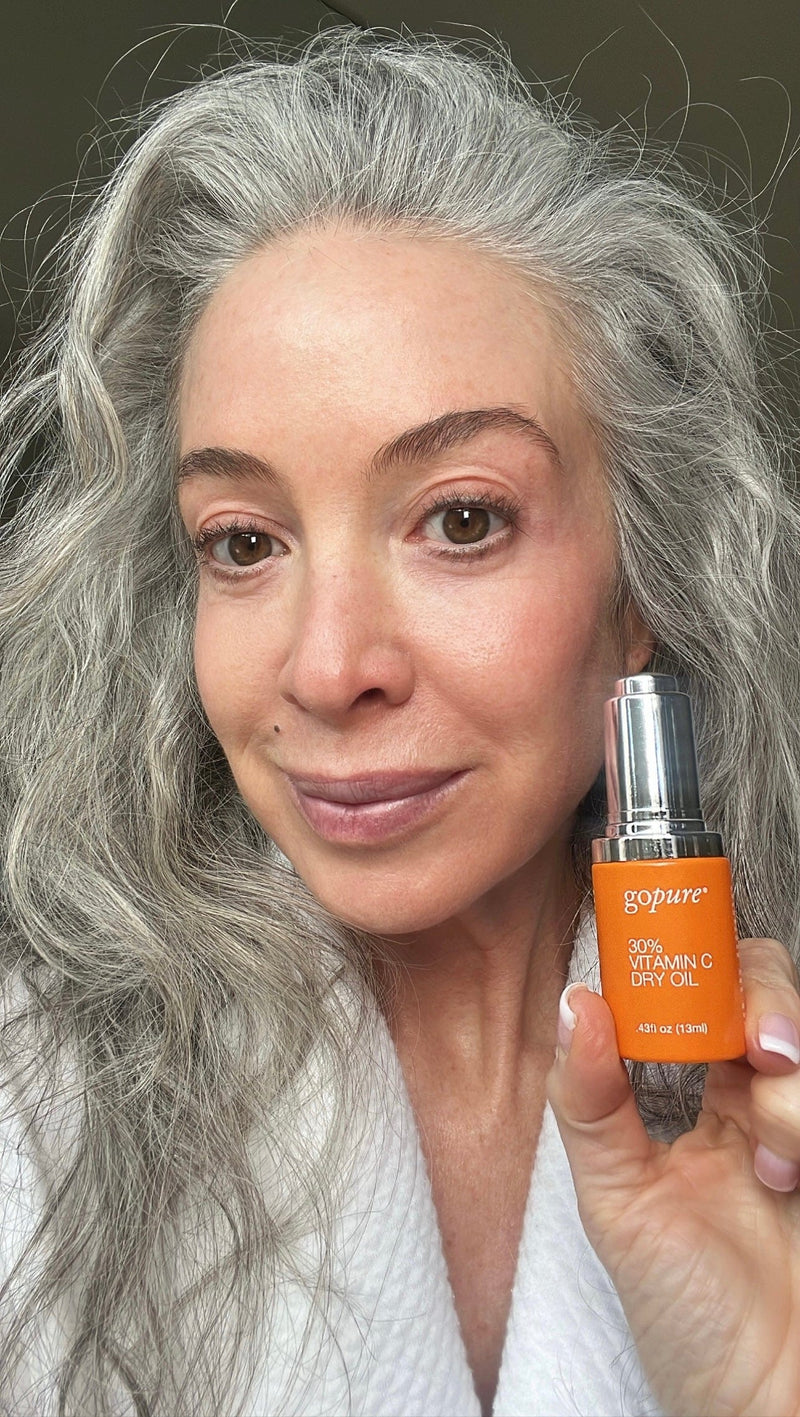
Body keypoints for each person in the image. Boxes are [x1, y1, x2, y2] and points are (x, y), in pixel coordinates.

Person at [1, 21, 799, 1417]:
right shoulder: (28, 1115)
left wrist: (760, 1384)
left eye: (463, 519)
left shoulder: (771, 1097)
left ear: (641, 586)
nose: (325, 666)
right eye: (242, 543)